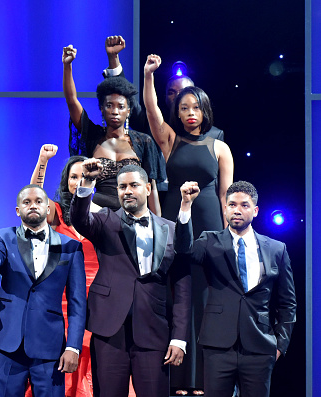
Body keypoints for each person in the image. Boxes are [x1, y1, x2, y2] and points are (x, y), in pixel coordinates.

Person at [143, 53, 234, 395]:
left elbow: (226, 197)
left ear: (204, 110)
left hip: (210, 224)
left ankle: (203, 382)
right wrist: (150, 75)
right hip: (175, 222)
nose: (189, 113)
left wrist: (230, 242)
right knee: (177, 294)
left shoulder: (220, 147)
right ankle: (177, 381)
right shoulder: (169, 140)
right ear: (177, 113)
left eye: (195, 107)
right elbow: (151, 110)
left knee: (206, 298)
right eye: (183, 108)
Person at [70, 160, 190, 397]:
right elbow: (80, 220)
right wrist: (87, 183)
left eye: (133, 185)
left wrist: (179, 338)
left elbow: (182, 289)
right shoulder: (106, 220)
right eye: (122, 187)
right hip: (109, 328)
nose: (127, 191)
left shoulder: (170, 229)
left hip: (153, 329)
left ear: (147, 188)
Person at [175, 181, 297, 397]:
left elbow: (287, 302)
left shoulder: (277, 249)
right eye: (232, 205)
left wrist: (279, 345)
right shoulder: (209, 240)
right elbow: (184, 250)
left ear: (256, 210)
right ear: (225, 208)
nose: (237, 210)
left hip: (260, 347)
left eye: (244, 205)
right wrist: (186, 206)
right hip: (218, 347)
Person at [0, 184, 86, 397]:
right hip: (8, 341)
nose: (32, 206)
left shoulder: (70, 246)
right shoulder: (3, 237)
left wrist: (73, 347)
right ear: (18, 210)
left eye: (38, 202)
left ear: (48, 208)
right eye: (26, 202)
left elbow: (77, 303)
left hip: (50, 345)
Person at [63, 44, 166, 215]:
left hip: (133, 215)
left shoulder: (142, 142)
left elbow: (151, 188)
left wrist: (159, 226)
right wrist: (68, 66)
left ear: (128, 110)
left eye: (121, 106)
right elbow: (72, 100)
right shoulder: (93, 136)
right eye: (109, 105)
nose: (115, 111)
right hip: (97, 215)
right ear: (101, 108)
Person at [29, 144, 96, 396]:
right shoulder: (55, 211)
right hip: (62, 295)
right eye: (73, 176)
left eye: (84, 176)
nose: (78, 181)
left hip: (95, 295)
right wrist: (43, 159)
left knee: (90, 356)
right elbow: (34, 193)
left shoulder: (99, 212)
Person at [101, 35, 224, 141]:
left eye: (182, 92)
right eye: (171, 92)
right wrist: (113, 58)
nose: (177, 96)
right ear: (164, 98)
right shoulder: (151, 124)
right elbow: (125, 95)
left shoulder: (214, 135)